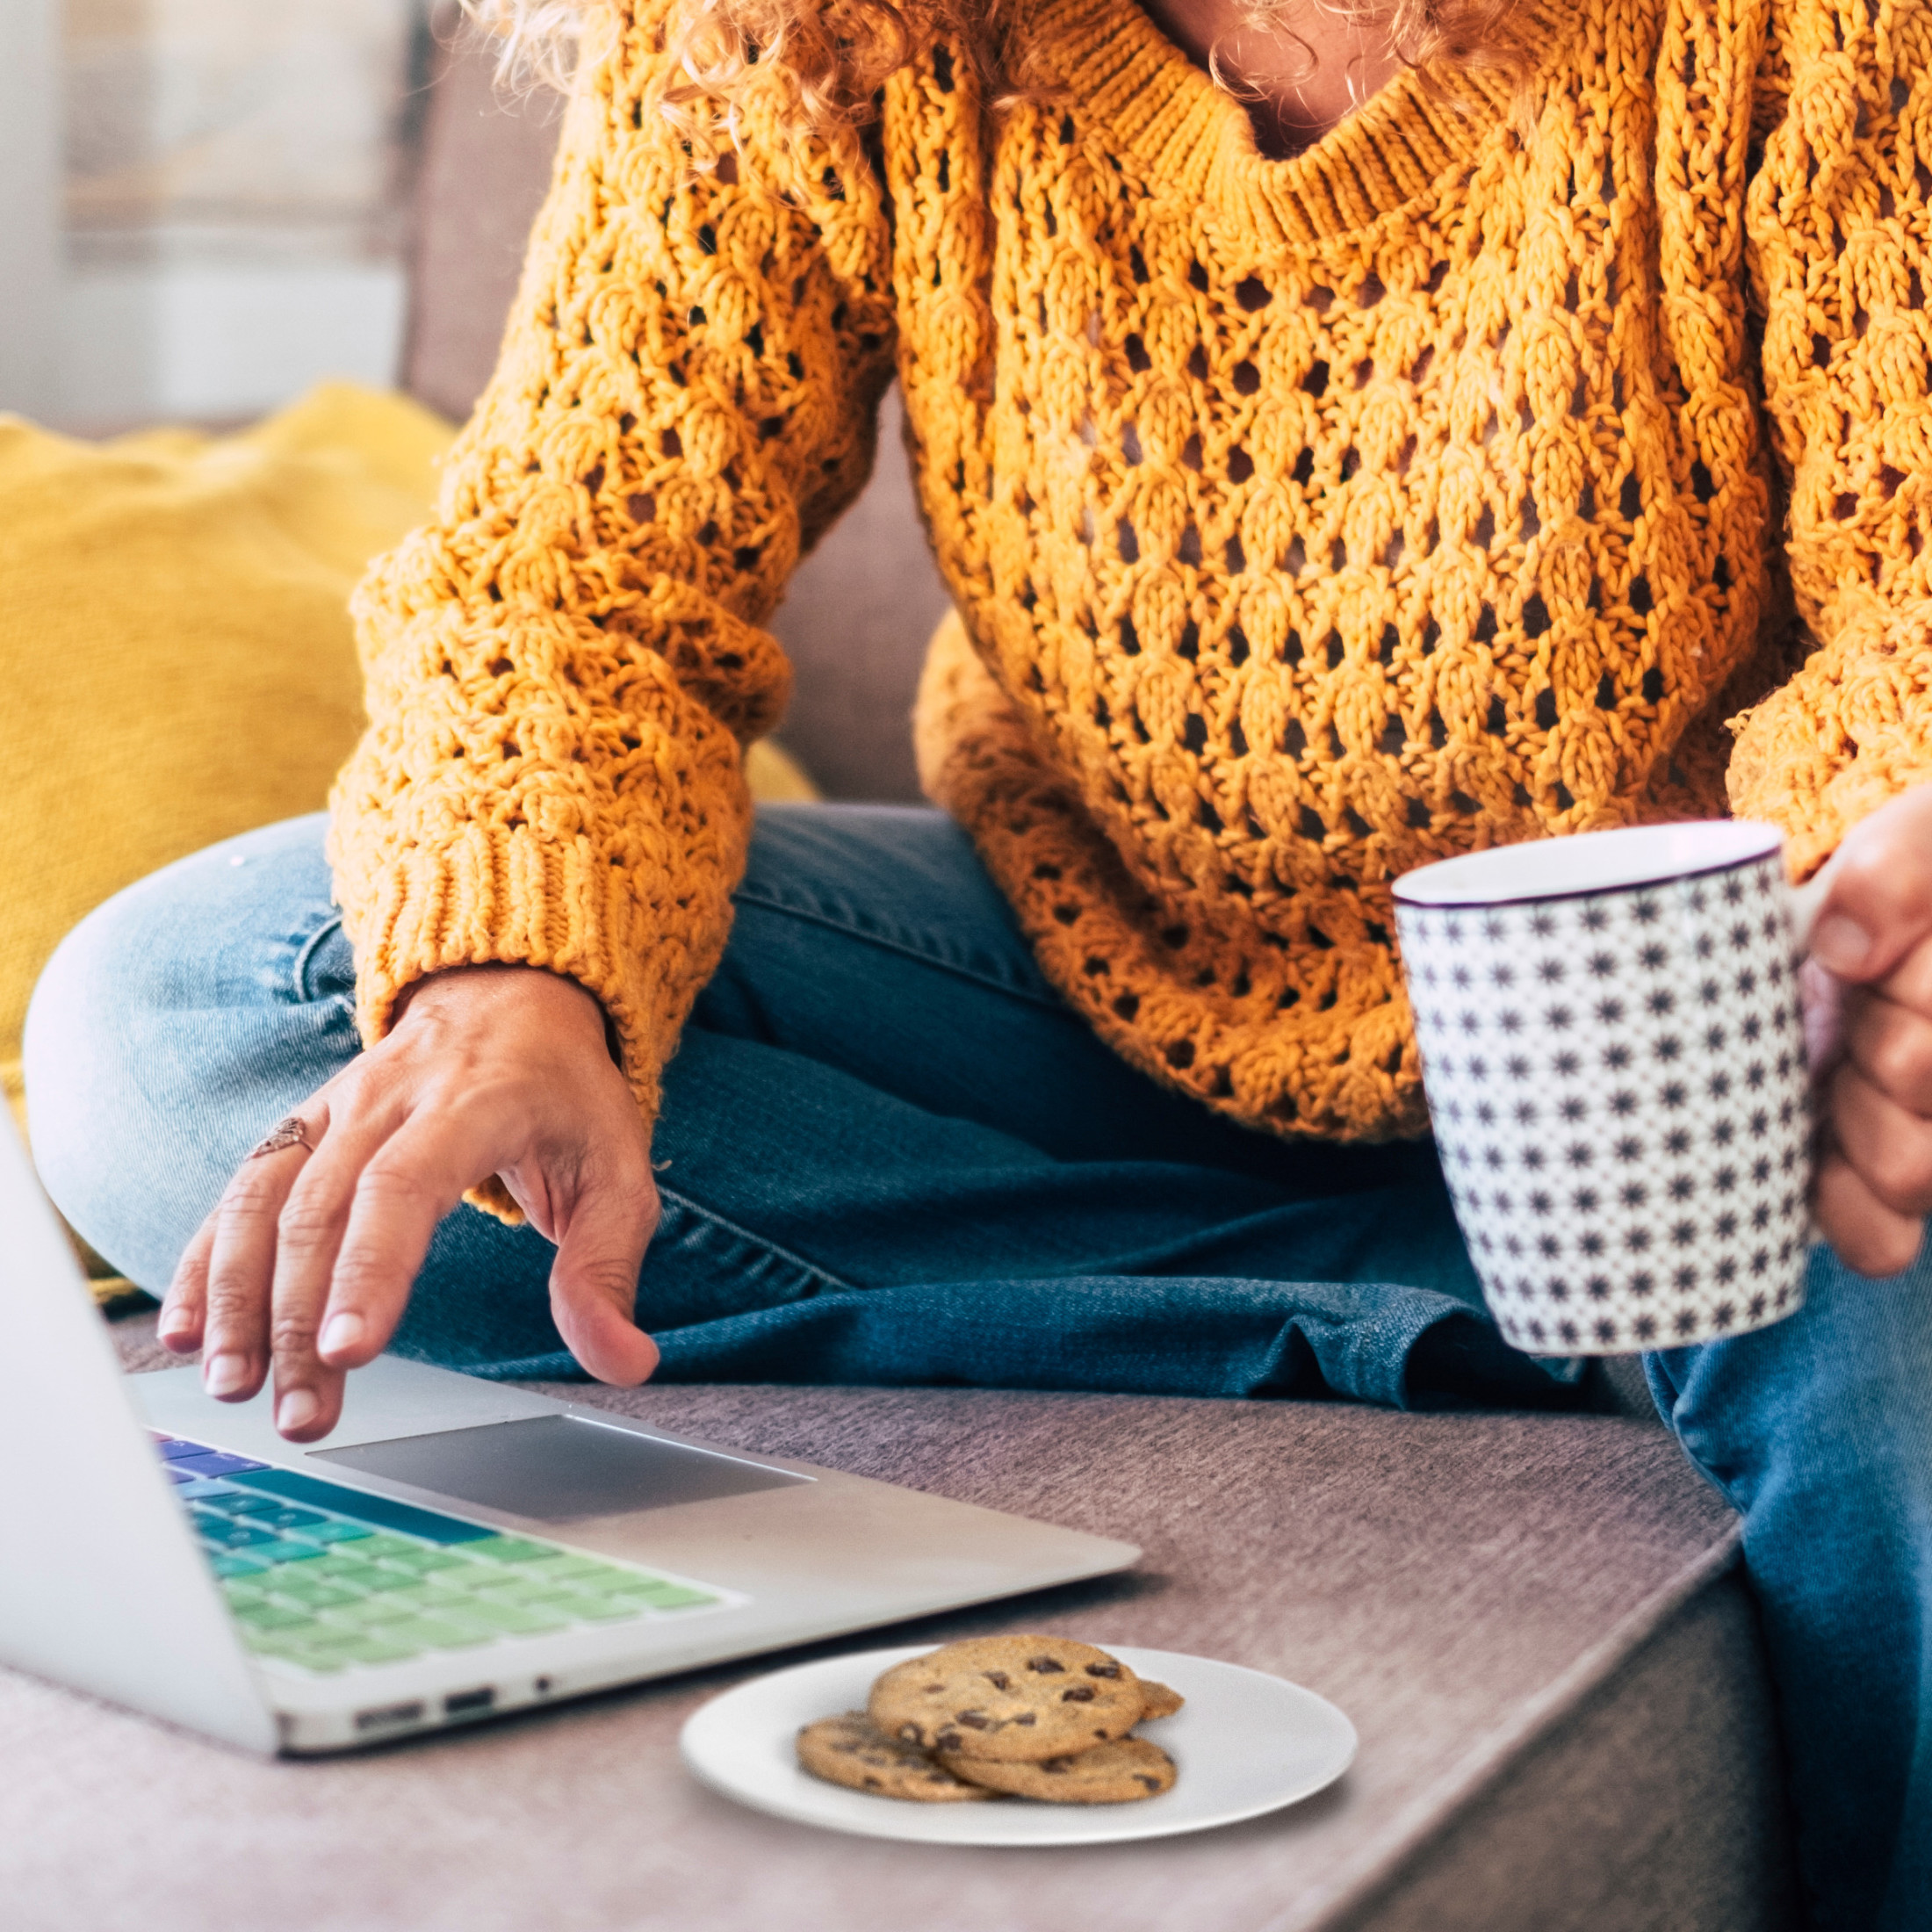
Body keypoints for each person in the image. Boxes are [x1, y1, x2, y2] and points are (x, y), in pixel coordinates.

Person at [22, 0, 1932, 1920]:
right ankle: (1458, 1306)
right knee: (187, 1013)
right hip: (1086, 983)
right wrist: (512, 978)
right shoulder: (801, 29)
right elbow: (577, 574)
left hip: (1686, 1046)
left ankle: (1626, 1293)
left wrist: (1868, 930)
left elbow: (1907, 607)